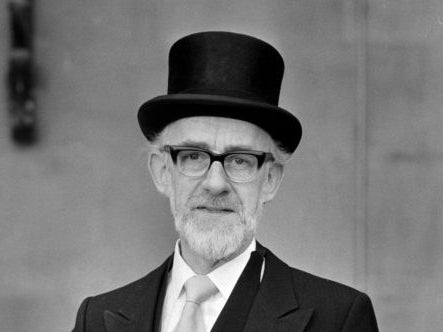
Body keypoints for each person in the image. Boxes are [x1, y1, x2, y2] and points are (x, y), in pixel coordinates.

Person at [72, 31, 378, 332]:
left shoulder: (338, 319)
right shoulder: (96, 319)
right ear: (162, 171)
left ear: (270, 179)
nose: (215, 183)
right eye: (193, 156)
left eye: (240, 160)